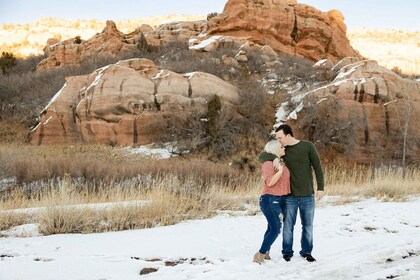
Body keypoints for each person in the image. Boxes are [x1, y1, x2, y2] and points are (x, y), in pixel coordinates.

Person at [259, 124, 324, 262]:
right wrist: (274, 158)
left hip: (307, 194)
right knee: (288, 225)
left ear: (288, 136)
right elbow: (262, 155)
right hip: (289, 197)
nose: (278, 140)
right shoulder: (281, 150)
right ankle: (287, 252)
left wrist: (320, 188)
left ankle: (306, 251)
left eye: (280, 137)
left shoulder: (307, 146)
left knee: (308, 225)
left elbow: (317, 167)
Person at [253, 140, 291, 264]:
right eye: (281, 147)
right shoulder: (268, 164)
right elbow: (269, 182)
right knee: (276, 228)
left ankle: (266, 252)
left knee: (271, 227)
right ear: (275, 149)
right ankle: (260, 255)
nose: (283, 148)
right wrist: (279, 171)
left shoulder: (280, 162)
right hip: (270, 199)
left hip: (282, 199)